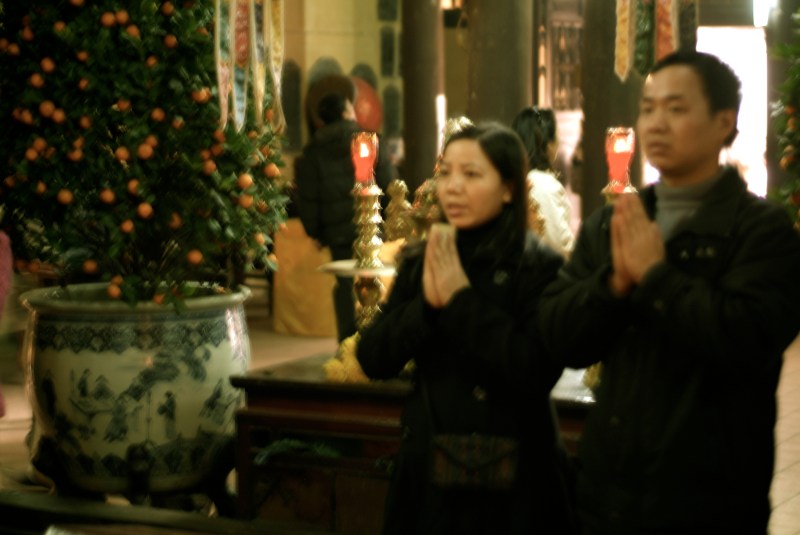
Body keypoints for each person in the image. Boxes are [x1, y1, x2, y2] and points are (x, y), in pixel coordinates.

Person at [539, 50, 800, 534]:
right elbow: (557, 335)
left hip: (711, 504)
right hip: (606, 499)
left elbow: (748, 337)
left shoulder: (760, 231)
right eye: (648, 108)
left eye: (676, 108)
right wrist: (613, 285)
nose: (656, 123)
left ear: (724, 122)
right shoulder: (613, 224)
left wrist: (656, 278)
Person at [357, 122, 577, 534]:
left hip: (516, 478)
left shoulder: (539, 265)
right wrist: (426, 307)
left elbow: (535, 369)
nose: (453, 186)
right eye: (446, 173)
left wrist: (460, 301)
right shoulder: (424, 257)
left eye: (471, 174)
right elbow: (373, 358)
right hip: (430, 469)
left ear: (508, 189)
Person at [293, 92, 396, 342]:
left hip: (335, 230)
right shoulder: (369, 140)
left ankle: (347, 341)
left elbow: (307, 196)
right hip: (372, 224)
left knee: (344, 285)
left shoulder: (312, 151)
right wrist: (388, 219)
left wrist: (315, 231)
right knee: (374, 276)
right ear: (346, 112)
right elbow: (389, 182)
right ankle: (375, 338)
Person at [511, 106, 576, 257]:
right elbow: (560, 243)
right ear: (548, 145)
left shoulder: (512, 181)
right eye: (557, 137)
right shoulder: (543, 184)